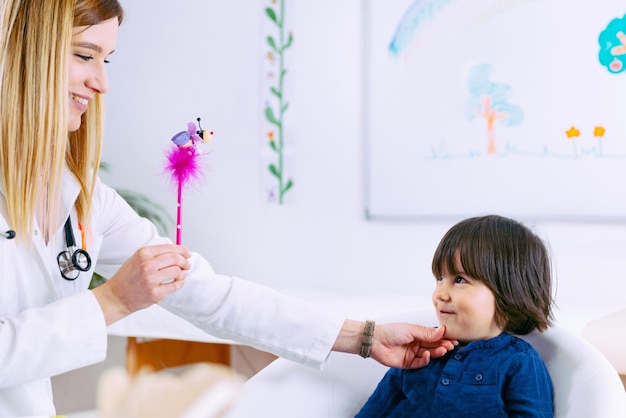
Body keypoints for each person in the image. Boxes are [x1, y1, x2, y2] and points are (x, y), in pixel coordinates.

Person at [0, 0, 456, 415]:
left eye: (106, 59)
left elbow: (208, 292)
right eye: (84, 55)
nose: (102, 83)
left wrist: (365, 337)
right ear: (26, 53)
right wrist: (111, 302)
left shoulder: (82, 196)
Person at [356, 215, 555, 417]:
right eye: (440, 279)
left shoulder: (519, 361)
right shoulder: (420, 350)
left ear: (510, 293)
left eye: (459, 279)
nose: (439, 294)